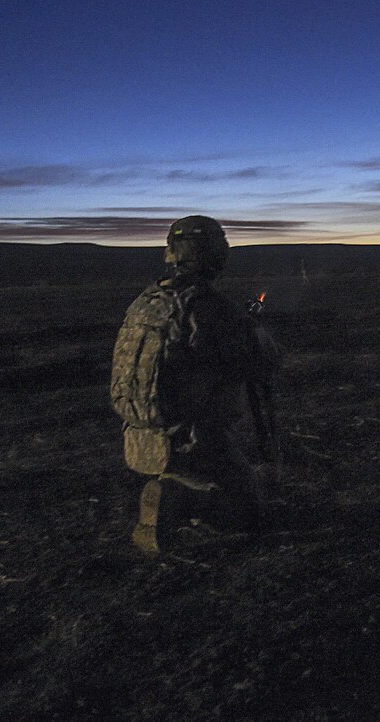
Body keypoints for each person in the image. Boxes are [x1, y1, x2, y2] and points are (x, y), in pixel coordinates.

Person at [110, 215, 281, 553]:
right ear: (216, 254)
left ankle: (176, 488)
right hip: (191, 436)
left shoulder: (145, 302)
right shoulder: (210, 308)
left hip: (138, 432)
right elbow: (260, 365)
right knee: (250, 514)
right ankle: (180, 501)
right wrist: (254, 333)